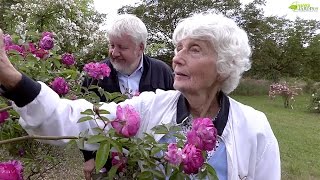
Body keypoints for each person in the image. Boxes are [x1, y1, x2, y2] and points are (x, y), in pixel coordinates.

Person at [0, 12, 281, 179]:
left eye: (194, 49)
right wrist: (14, 80)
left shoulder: (254, 128)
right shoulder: (149, 107)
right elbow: (74, 120)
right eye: (179, 48)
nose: (177, 58)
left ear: (224, 66)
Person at [80, 14, 174, 179]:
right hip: (108, 160)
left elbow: (176, 113)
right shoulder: (96, 76)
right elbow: (85, 118)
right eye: (111, 45)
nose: (114, 53)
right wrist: (90, 157)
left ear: (140, 48)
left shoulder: (162, 72)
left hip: (151, 160)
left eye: (122, 47)